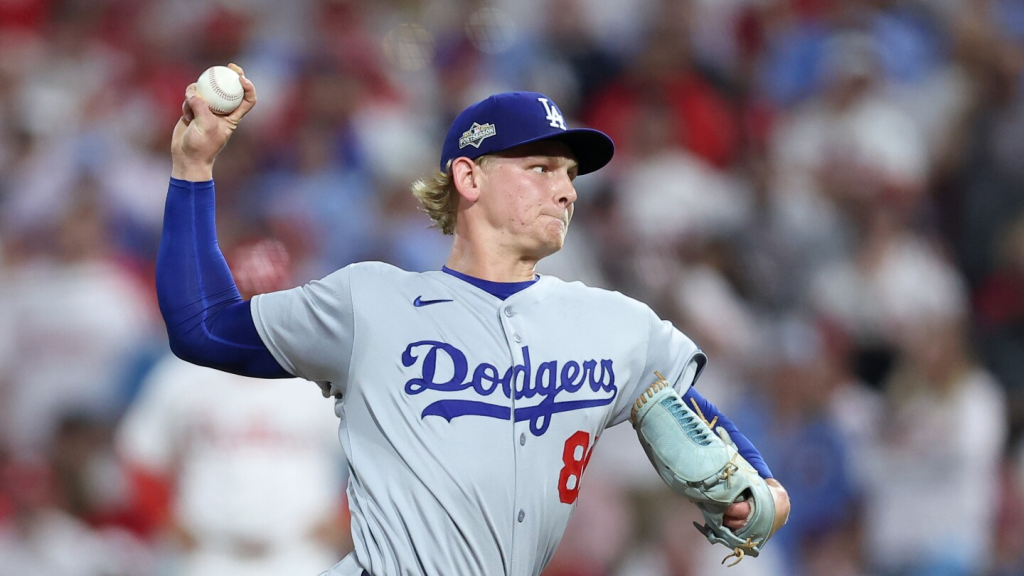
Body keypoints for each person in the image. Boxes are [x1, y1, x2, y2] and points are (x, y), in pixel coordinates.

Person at [158, 63, 790, 576]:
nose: (567, 190)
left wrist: (760, 490)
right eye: (541, 168)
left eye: (570, 175)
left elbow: (706, 427)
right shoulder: (369, 303)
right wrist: (193, 168)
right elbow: (203, 327)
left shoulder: (615, 325)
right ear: (469, 177)